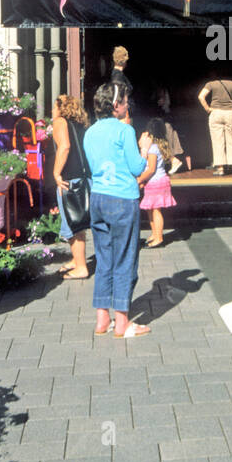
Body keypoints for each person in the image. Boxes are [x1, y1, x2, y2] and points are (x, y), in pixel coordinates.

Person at [84, 85, 150, 338]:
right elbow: (136, 167)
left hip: (99, 197)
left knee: (104, 258)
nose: (127, 104)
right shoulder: (125, 130)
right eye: (124, 101)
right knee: (125, 259)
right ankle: (122, 322)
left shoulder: (89, 132)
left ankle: (102, 318)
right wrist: (143, 148)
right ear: (115, 106)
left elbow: (92, 166)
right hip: (123, 199)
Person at [52, 93, 89, 279]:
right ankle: (77, 259)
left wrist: (56, 173)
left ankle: (81, 267)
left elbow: (64, 147)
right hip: (83, 177)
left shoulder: (60, 122)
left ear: (60, 107)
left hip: (69, 179)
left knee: (73, 223)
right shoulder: (81, 124)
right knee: (78, 221)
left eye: (54, 106)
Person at [138, 117, 177, 247]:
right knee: (151, 209)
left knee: (155, 210)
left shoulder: (153, 148)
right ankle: (154, 233)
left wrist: (140, 179)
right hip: (157, 182)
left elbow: (151, 169)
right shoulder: (160, 145)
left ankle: (159, 237)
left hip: (155, 181)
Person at [198, 76, 232, 175]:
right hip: (230, 113)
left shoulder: (211, 84)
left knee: (217, 141)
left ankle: (220, 168)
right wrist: (230, 103)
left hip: (216, 113)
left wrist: (207, 109)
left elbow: (201, 96)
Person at [109, 46, 133, 116]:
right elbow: (118, 95)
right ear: (124, 61)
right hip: (122, 112)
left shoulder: (117, 74)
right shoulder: (117, 76)